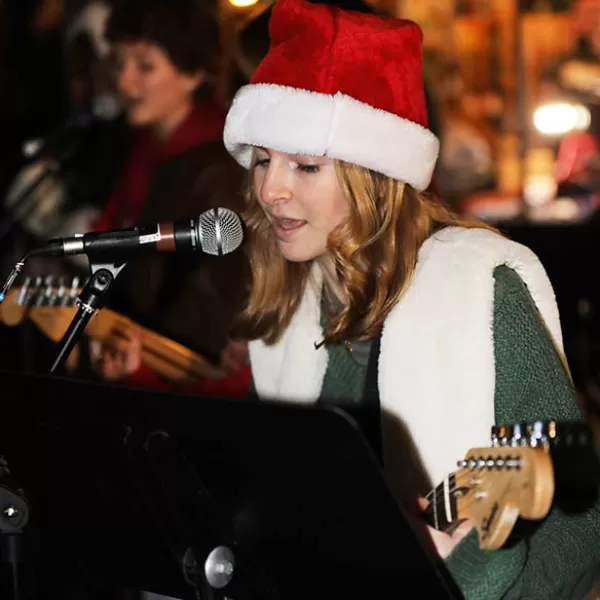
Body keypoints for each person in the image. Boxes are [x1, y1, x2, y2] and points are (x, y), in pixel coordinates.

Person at [222, 0, 600, 597]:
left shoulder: (477, 289)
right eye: (263, 160)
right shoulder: (293, 304)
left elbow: (576, 522)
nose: (270, 189)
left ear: (374, 175)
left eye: (306, 166)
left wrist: (466, 574)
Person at [85, 0, 250, 397]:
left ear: (192, 73)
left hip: (183, 382)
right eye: (119, 64)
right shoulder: (138, 153)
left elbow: (214, 301)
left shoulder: (220, 168)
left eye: (144, 67)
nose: (124, 82)